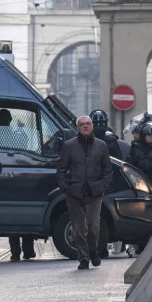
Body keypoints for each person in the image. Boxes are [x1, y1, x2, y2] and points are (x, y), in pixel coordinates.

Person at [56, 115, 113, 270]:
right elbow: (61, 169)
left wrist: (102, 186)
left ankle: (93, 249)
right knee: (78, 227)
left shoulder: (101, 146)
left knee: (93, 225)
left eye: (88, 124)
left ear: (92, 126)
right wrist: (65, 187)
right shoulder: (69, 146)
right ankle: (83, 258)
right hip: (74, 192)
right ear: (78, 127)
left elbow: (108, 170)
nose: (85, 126)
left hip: (95, 192)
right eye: (82, 124)